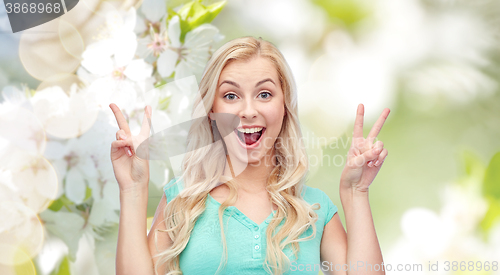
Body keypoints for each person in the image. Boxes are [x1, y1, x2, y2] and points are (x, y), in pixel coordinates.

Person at [110, 36, 390, 275]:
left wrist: (356, 191)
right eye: (231, 96)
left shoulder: (315, 210)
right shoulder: (183, 201)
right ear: (212, 111)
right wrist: (133, 190)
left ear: (284, 106)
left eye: (265, 94)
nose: (247, 111)